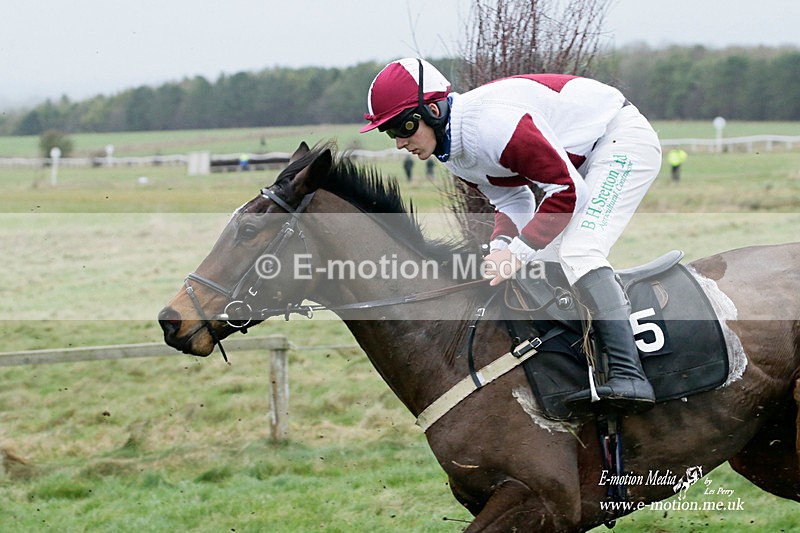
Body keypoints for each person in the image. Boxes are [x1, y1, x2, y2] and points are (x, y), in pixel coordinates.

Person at [361, 58, 662, 412]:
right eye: (389, 132)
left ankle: (631, 376)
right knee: (544, 264)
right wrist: (501, 247)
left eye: (403, 127)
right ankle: (582, 369)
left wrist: (517, 252)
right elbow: (511, 197)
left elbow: (567, 192)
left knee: (580, 252)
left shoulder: (492, 126)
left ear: (433, 109)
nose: (399, 142)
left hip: (620, 140)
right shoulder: (451, 150)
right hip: (583, 160)